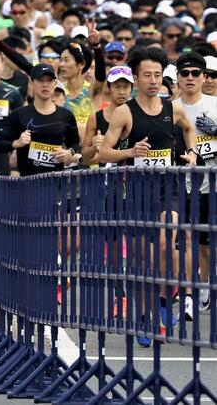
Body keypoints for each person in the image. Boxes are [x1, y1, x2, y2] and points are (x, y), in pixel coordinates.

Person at [99, 47, 198, 347]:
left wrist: (191, 152)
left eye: (158, 75)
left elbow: (190, 129)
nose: (153, 81)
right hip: (138, 191)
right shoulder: (124, 112)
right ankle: (144, 317)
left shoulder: (173, 108)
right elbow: (104, 152)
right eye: (147, 75)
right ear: (136, 78)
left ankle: (166, 299)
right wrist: (130, 152)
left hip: (168, 188)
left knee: (168, 238)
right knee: (143, 260)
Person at [170, 52, 217, 321]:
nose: (190, 78)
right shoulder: (169, 108)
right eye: (185, 73)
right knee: (187, 238)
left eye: (195, 73)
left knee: (208, 243)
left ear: (203, 77)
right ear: (177, 77)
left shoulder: (215, 105)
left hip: (213, 183)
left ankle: (206, 279)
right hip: (182, 186)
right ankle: (191, 293)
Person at [0, 64, 81, 176]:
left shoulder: (66, 115)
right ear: (32, 83)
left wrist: (69, 152)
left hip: (55, 181)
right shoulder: (19, 114)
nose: (45, 85)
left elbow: (75, 142)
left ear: (55, 84)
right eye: (40, 80)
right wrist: (17, 143)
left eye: (49, 80)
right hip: (27, 181)